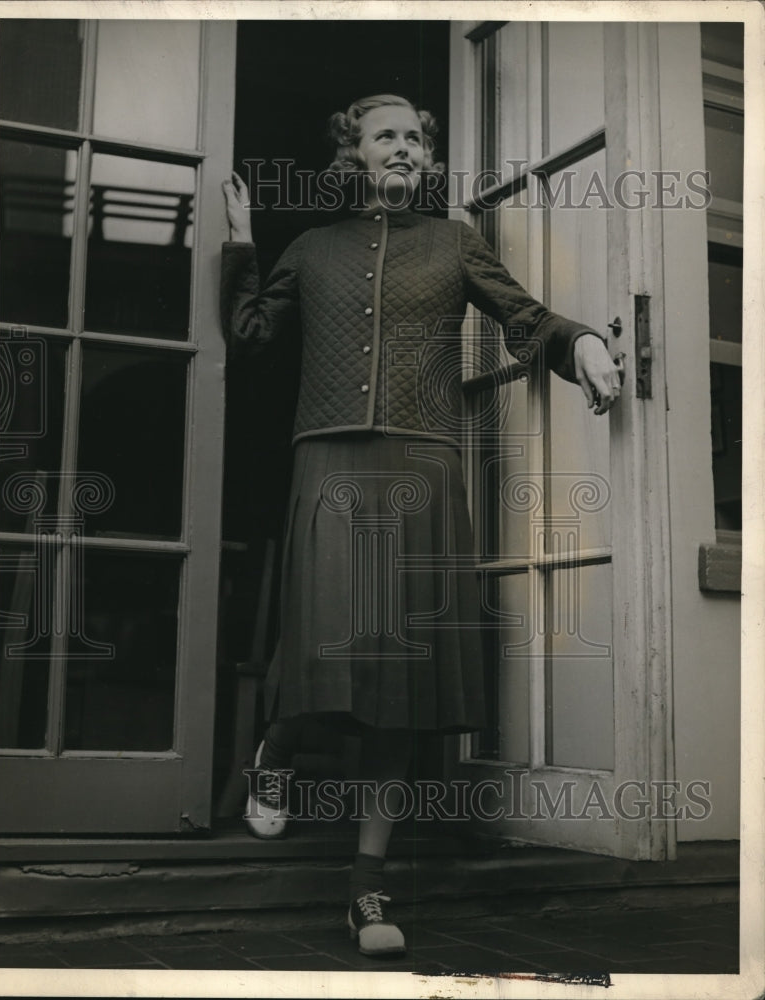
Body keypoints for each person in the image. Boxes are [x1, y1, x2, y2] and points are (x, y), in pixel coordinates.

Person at [221, 94, 622, 958]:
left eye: (415, 139)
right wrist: (238, 243)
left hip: (426, 467)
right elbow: (251, 335)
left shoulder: (453, 244)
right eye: (386, 136)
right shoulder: (311, 248)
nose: (404, 149)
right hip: (329, 460)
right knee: (324, 649)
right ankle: (277, 747)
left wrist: (580, 341)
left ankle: (368, 888)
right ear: (353, 153)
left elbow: (525, 317)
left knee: (401, 686)